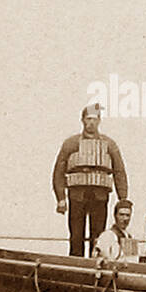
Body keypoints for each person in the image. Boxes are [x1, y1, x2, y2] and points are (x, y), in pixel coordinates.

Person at [52, 102, 130, 257]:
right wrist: (60, 198)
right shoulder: (71, 143)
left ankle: (96, 267)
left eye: (94, 119)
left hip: (100, 195)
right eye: (88, 119)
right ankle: (76, 267)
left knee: (98, 235)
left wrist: (123, 199)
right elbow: (58, 171)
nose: (91, 123)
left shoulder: (109, 144)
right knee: (76, 235)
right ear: (82, 120)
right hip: (77, 194)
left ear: (99, 121)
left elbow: (119, 171)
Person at [92, 199, 140, 263]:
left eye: (127, 215)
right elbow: (106, 260)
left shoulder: (129, 237)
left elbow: (133, 262)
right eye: (121, 215)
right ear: (115, 215)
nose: (125, 218)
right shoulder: (107, 236)